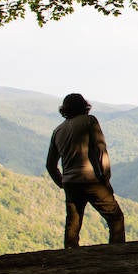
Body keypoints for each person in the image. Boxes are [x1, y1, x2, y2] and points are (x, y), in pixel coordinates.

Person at [46, 92, 126, 247]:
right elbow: (100, 150)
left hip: (70, 182)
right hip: (91, 180)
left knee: (73, 223)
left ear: (64, 109)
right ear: (84, 106)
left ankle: (70, 256)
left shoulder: (58, 131)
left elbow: (50, 164)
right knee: (115, 217)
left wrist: (62, 182)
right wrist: (105, 178)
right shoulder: (90, 121)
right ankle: (117, 254)